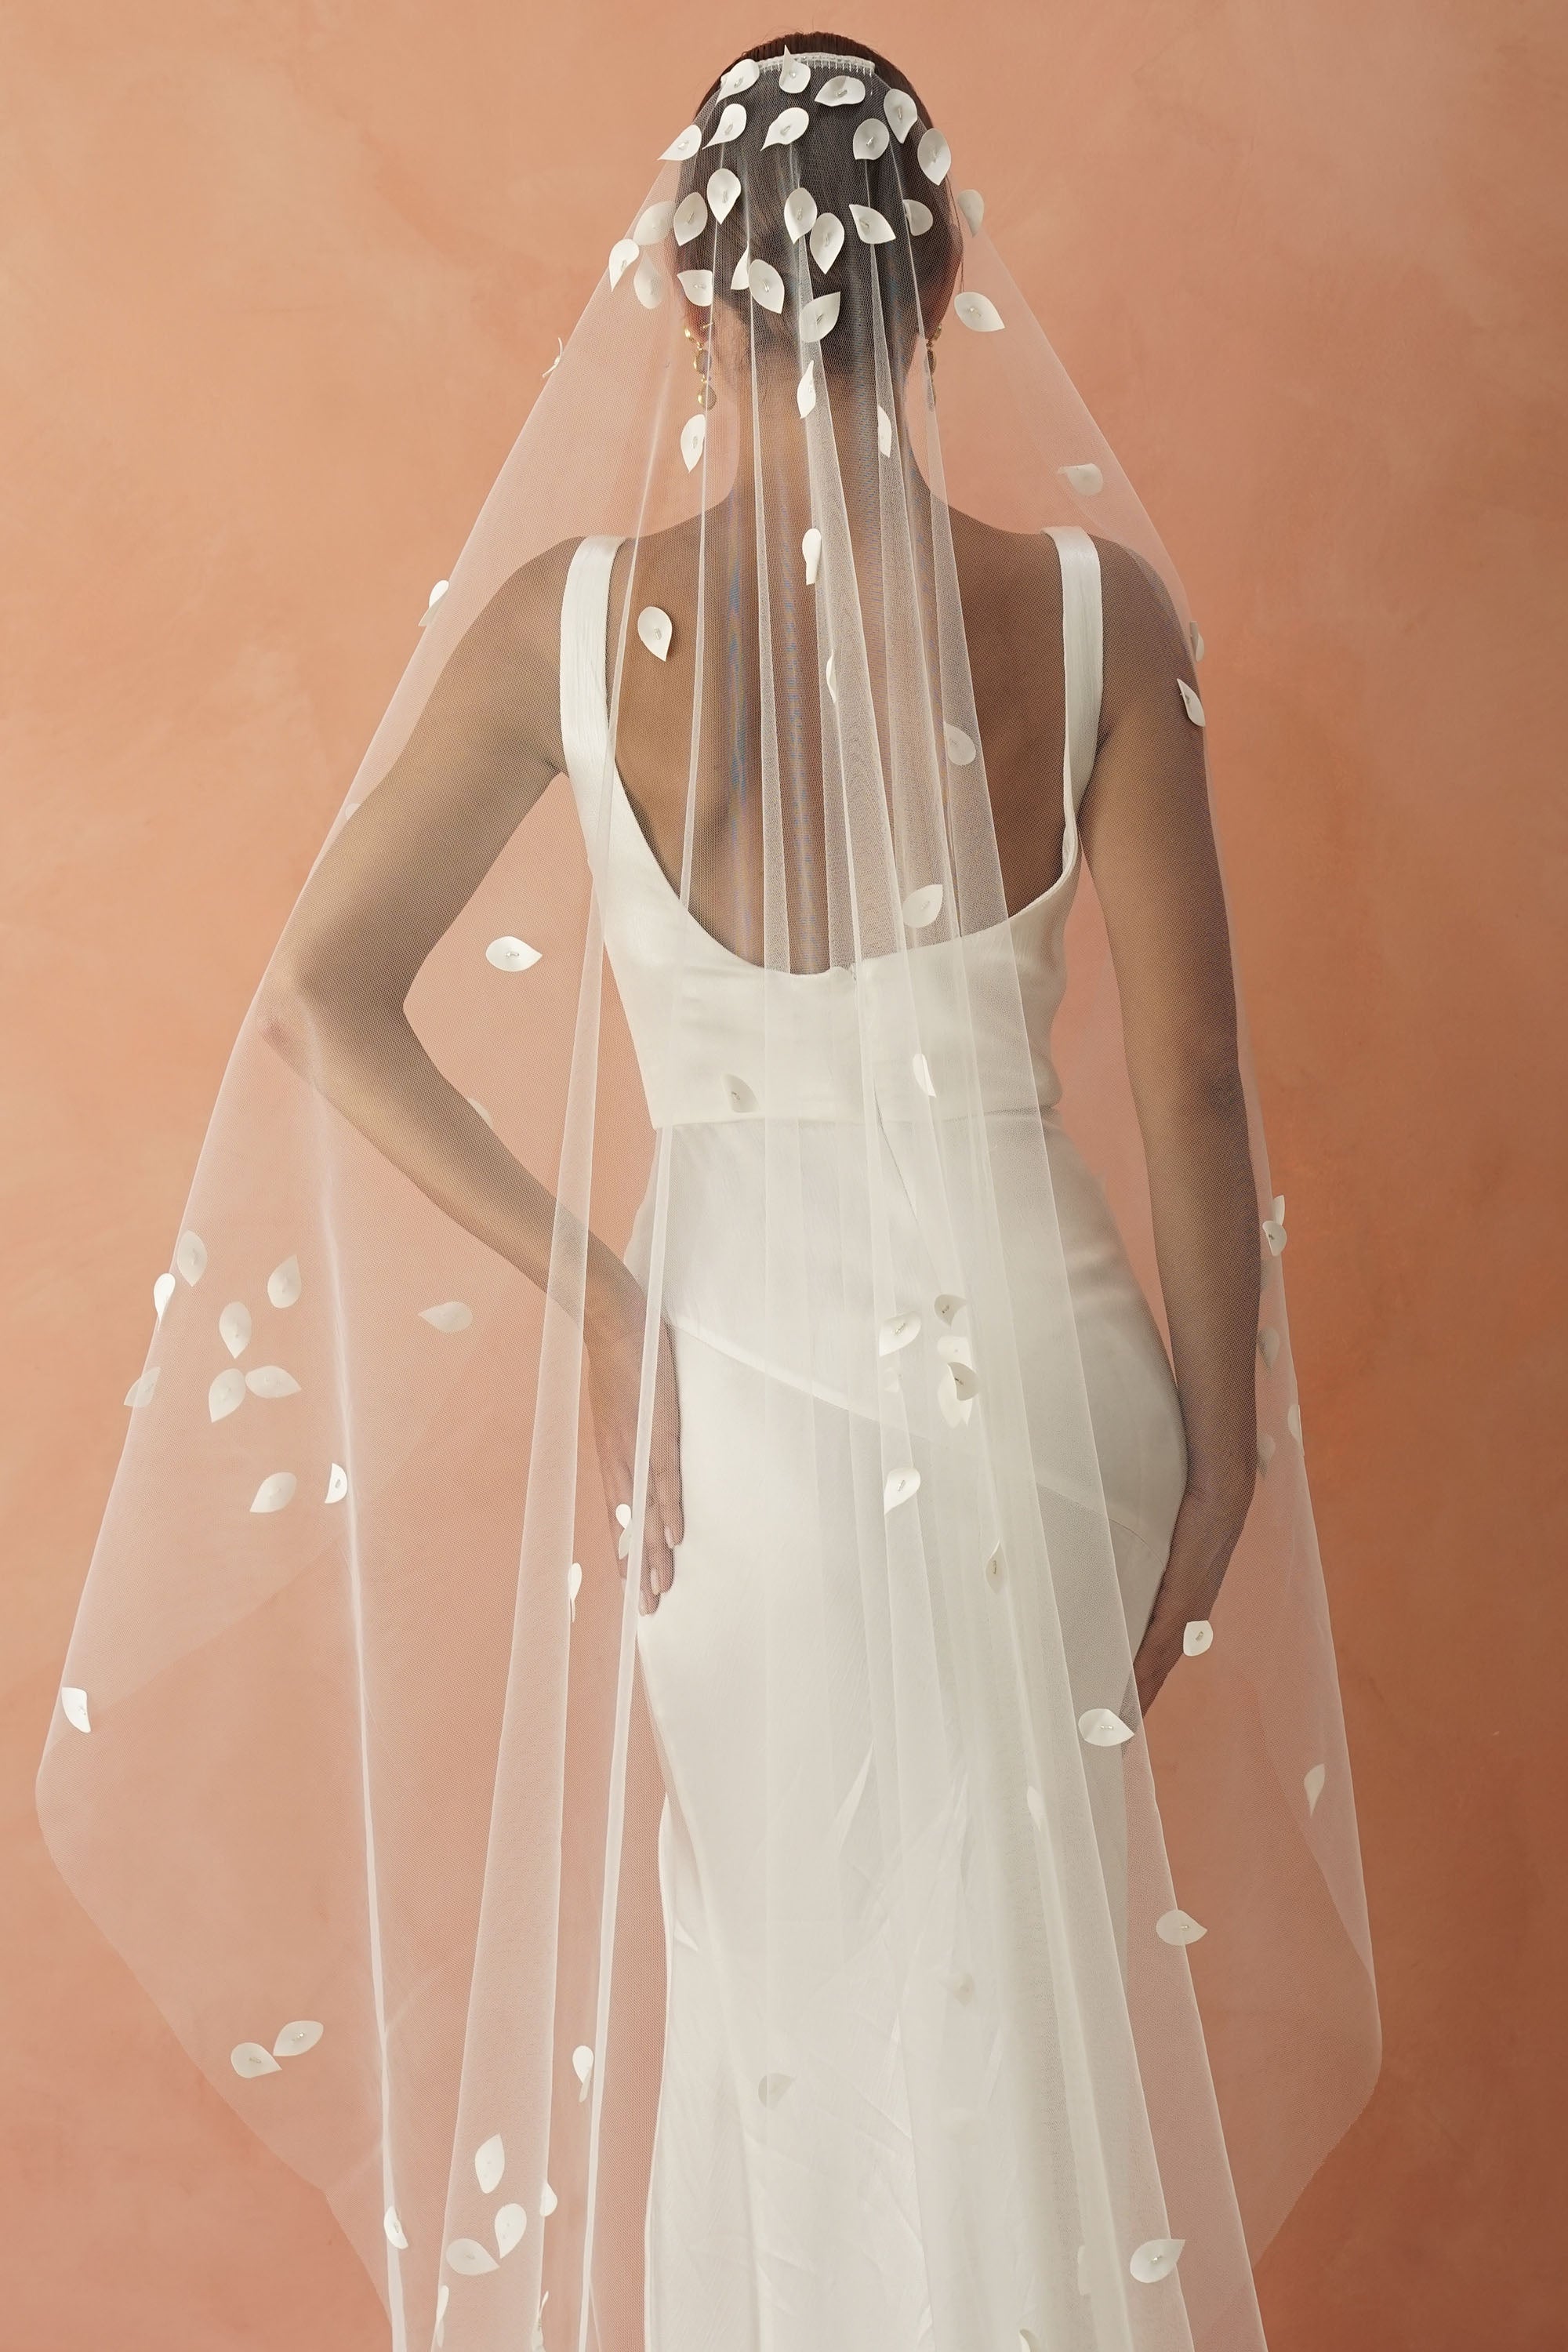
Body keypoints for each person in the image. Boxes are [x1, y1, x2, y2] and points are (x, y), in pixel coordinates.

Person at [39, 36, 1379, 2352]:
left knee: (794, 2017)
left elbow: (323, 997)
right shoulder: (1092, 618)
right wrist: (1229, 1452)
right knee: (1014, 2006)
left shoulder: (578, 625)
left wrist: (608, 1305)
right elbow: (1192, 1077)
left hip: (737, 1406)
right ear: (940, 280)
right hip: (1055, 1393)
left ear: (688, 296)